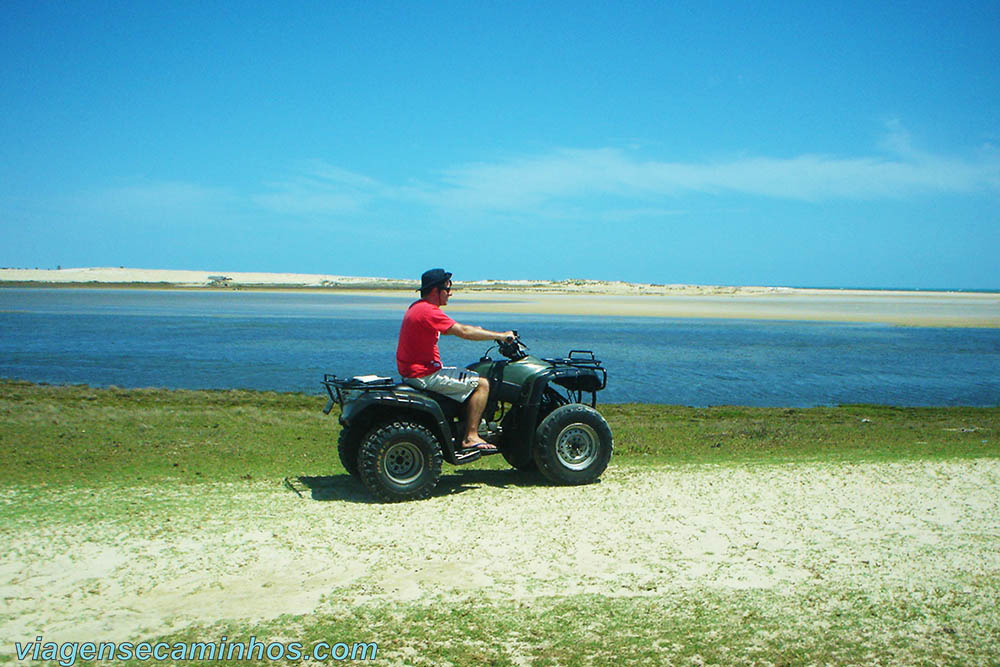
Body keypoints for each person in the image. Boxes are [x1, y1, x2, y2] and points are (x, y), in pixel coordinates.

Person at [396, 268, 514, 452]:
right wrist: (501, 335)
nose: (450, 293)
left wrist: (478, 329)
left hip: (415, 371)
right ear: (436, 290)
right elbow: (464, 332)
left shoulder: (417, 307)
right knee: (481, 384)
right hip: (425, 373)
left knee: (469, 373)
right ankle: (471, 436)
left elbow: (460, 327)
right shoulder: (429, 311)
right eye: (448, 289)